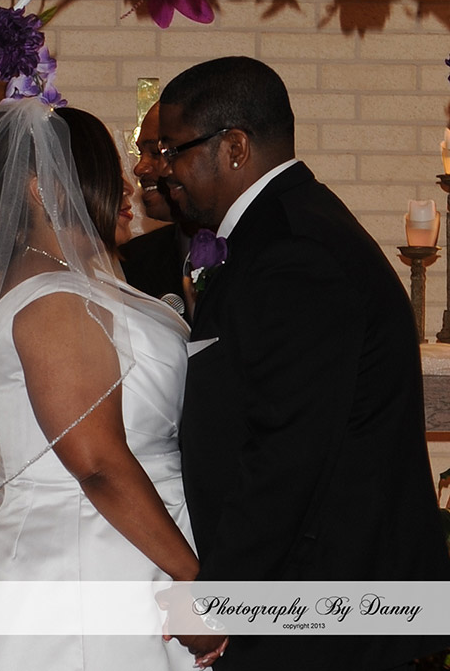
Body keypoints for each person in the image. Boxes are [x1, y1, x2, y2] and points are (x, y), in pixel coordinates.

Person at [158, 56, 450, 671]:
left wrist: (222, 598)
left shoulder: (294, 250)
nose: (164, 170)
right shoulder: (284, 230)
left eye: (174, 150)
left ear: (234, 147)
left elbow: (288, 450)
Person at [0, 99, 206, 671]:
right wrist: (194, 580)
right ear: (45, 190)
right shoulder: (55, 299)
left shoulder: (74, 283)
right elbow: (97, 462)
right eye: (106, 173)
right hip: (89, 558)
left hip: (127, 541)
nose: (127, 187)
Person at [120, 103, 193, 314]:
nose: (139, 168)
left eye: (156, 152)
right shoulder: (131, 260)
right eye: (140, 153)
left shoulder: (261, 250)